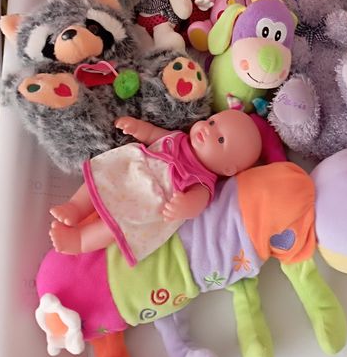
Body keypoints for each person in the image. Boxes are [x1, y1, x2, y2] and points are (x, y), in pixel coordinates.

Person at [49, 109, 262, 266]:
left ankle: (79, 241)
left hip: (145, 203)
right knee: (99, 178)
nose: (207, 129)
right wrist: (137, 127)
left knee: (116, 229)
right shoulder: (178, 138)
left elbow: (197, 204)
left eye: (220, 139)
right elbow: (152, 134)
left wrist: (184, 207)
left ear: (228, 168)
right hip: (131, 172)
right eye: (212, 122)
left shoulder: (203, 182)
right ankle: (75, 207)